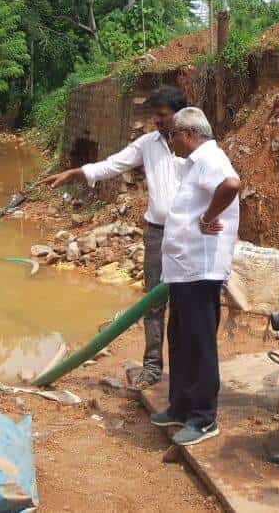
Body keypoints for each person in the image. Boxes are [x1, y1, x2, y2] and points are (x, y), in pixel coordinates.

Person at [37, 87, 189, 388]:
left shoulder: (197, 145)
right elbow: (113, 164)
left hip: (190, 237)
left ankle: (185, 369)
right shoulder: (148, 144)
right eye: (154, 115)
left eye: (162, 115)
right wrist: (74, 174)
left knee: (186, 305)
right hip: (158, 235)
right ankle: (152, 367)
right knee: (152, 303)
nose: (156, 121)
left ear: (180, 114)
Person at [149, 107, 240, 446]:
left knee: (199, 343)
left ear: (188, 134)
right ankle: (180, 406)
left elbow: (231, 184)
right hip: (185, 270)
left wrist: (209, 217)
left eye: (172, 134)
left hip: (202, 270)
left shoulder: (210, 158)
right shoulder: (195, 163)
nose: (170, 141)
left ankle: (203, 418)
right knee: (181, 338)